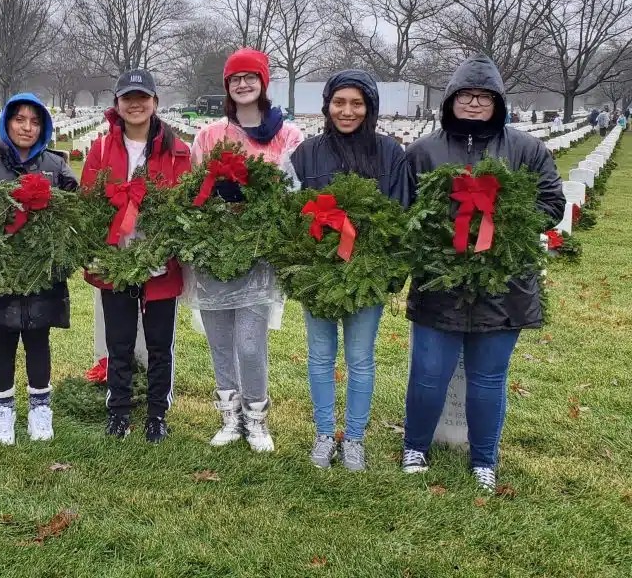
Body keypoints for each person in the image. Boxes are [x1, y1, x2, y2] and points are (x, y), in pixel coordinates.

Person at [402, 54, 564, 491]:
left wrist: (501, 214)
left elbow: (551, 205)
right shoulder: (423, 152)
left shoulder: (527, 150)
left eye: (483, 97)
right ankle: (415, 446)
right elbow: (406, 212)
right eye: (466, 96)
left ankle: (483, 459)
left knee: (489, 377)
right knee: (429, 373)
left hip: (503, 285)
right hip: (442, 282)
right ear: (451, 100)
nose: (474, 104)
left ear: (498, 103)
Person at [286, 70, 410, 471]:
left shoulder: (390, 155)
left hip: (366, 279)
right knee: (320, 357)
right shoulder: (307, 154)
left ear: (370, 107)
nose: (347, 111)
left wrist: (384, 273)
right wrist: (305, 266)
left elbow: (399, 215)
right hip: (319, 279)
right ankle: (325, 433)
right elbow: (290, 217)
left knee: (360, 359)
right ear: (327, 106)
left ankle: (354, 438)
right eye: (339, 102)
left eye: (357, 103)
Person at [188, 48, 303, 452]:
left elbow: (293, 193)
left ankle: (257, 419)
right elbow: (193, 196)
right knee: (219, 341)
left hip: (259, 256)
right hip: (215, 256)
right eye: (234, 78)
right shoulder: (209, 136)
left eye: (250, 77)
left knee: (250, 344)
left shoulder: (287, 137)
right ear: (227, 86)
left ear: (263, 82)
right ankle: (229, 418)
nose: (242, 84)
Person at [0, 93, 78, 445]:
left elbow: (76, 206)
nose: (27, 127)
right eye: (19, 119)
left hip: (41, 271)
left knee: (39, 337)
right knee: (3, 337)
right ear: (7, 123)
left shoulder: (55, 165)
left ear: (43, 127)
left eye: (35, 121)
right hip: (0, 271)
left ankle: (41, 406)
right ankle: (3, 409)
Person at [80, 69, 191, 443]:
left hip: (160, 263)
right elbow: (88, 204)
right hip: (117, 261)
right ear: (118, 104)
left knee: (160, 343)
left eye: (143, 97)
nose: (135, 104)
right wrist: (97, 252)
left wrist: (165, 246)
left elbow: (185, 207)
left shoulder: (177, 150)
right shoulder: (100, 149)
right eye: (128, 97)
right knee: (120, 340)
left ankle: (157, 414)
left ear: (155, 103)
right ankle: (119, 411)